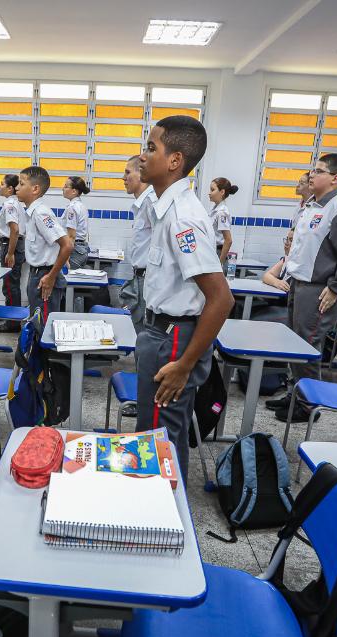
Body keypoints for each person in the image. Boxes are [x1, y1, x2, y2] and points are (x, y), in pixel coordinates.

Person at [136, 115, 234, 480]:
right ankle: (163, 499)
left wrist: (184, 365)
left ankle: (163, 502)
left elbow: (221, 299)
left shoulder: (183, 218)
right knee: (161, 431)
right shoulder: (167, 208)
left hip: (173, 339)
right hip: (162, 333)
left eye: (151, 148)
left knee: (158, 436)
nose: (142, 156)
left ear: (175, 160)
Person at [272, 153, 337, 423]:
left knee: (307, 344)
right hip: (299, 283)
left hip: (318, 289)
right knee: (295, 343)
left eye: (318, 171)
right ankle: (296, 392)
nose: (312, 175)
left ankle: (308, 405)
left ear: (335, 178)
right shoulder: (312, 206)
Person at [17, 166, 73, 319]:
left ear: (35, 189)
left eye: (21, 184)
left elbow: (67, 245)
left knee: (43, 325)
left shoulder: (41, 213)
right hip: (37, 273)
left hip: (45, 275)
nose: (16, 188)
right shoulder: (33, 212)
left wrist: (51, 277)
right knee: (36, 322)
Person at [118, 155, 155, 332]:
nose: (123, 178)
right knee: (137, 327)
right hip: (140, 277)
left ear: (141, 173)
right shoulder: (142, 204)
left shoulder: (152, 202)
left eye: (127, 173)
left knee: (143, 330)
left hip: (148, 279)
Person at [0, 174, 25, 332]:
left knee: (10, 285)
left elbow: (15, 230)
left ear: (10, 188)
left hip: (10, 244)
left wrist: (10, 253)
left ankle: (12, 323)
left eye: (2, 184)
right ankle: (10, 315)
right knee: (12, 283)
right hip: (13, 244)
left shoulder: (10, 205)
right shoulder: (15, 203)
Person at [62, 176, 91, 269]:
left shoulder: (72, 208)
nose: (63, 188)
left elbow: (71, 236)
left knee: (68, 276)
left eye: (66, 186)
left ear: (74, 191)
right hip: (81, 248)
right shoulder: (81, 206)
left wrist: (66, 257)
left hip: (74, 249)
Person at [208, 177, 237, 262]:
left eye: (212, 190)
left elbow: (228, 240)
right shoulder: (214, 209)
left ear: (222, 192)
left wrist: (220, 263)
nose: (209, 193)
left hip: (218, 253)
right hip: (212, 251)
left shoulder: (222, 213)